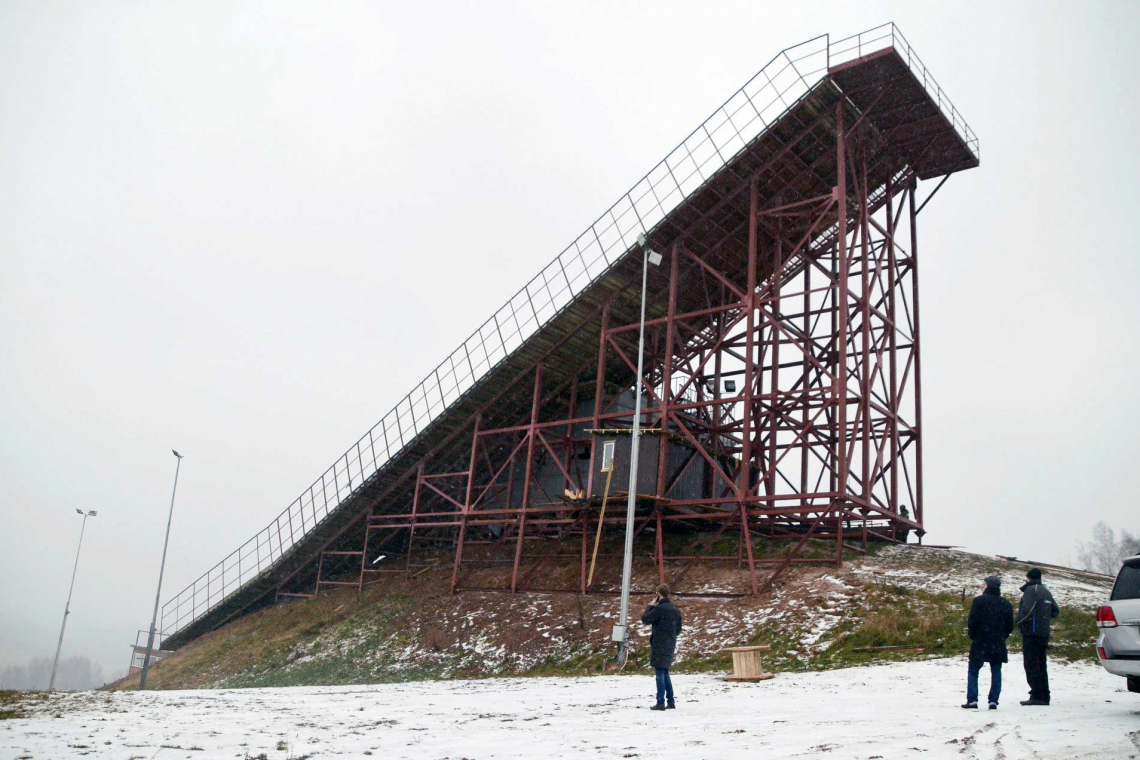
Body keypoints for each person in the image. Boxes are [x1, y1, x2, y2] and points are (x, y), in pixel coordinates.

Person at [962, 575, 1014, 710]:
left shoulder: (979, 601)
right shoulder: (1006, 603)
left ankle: (972, 699)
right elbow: (1010, 625)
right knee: (996, 670)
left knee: (973, 670)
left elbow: (972, 621)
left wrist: (973, 635)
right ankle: (993, 700)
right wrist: (1002, 636)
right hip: (998, 641)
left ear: (987, 586)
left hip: (980, 640)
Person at [1017, 567, 1060, 706]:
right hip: (1043, 633)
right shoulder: (1045, 591)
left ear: (1029, 578)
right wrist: (1044, 620)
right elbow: (1055, 610)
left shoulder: (1031, 590)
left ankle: (1036, 694)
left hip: (1032, 633)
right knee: (1041, 664)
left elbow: (1028, 611)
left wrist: (1019, 623)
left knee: (1031, 664)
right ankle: (1044, 694)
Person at [640, 583, 683, 711]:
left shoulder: (659, 609)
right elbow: (678, 629)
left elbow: (645, 619)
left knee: (659, 672)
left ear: (658, 595)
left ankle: (660, 702)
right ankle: (671, 701)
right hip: (670, 644)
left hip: (659, 644)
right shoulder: (676, 610)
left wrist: (650, 606)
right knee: (665, 672)